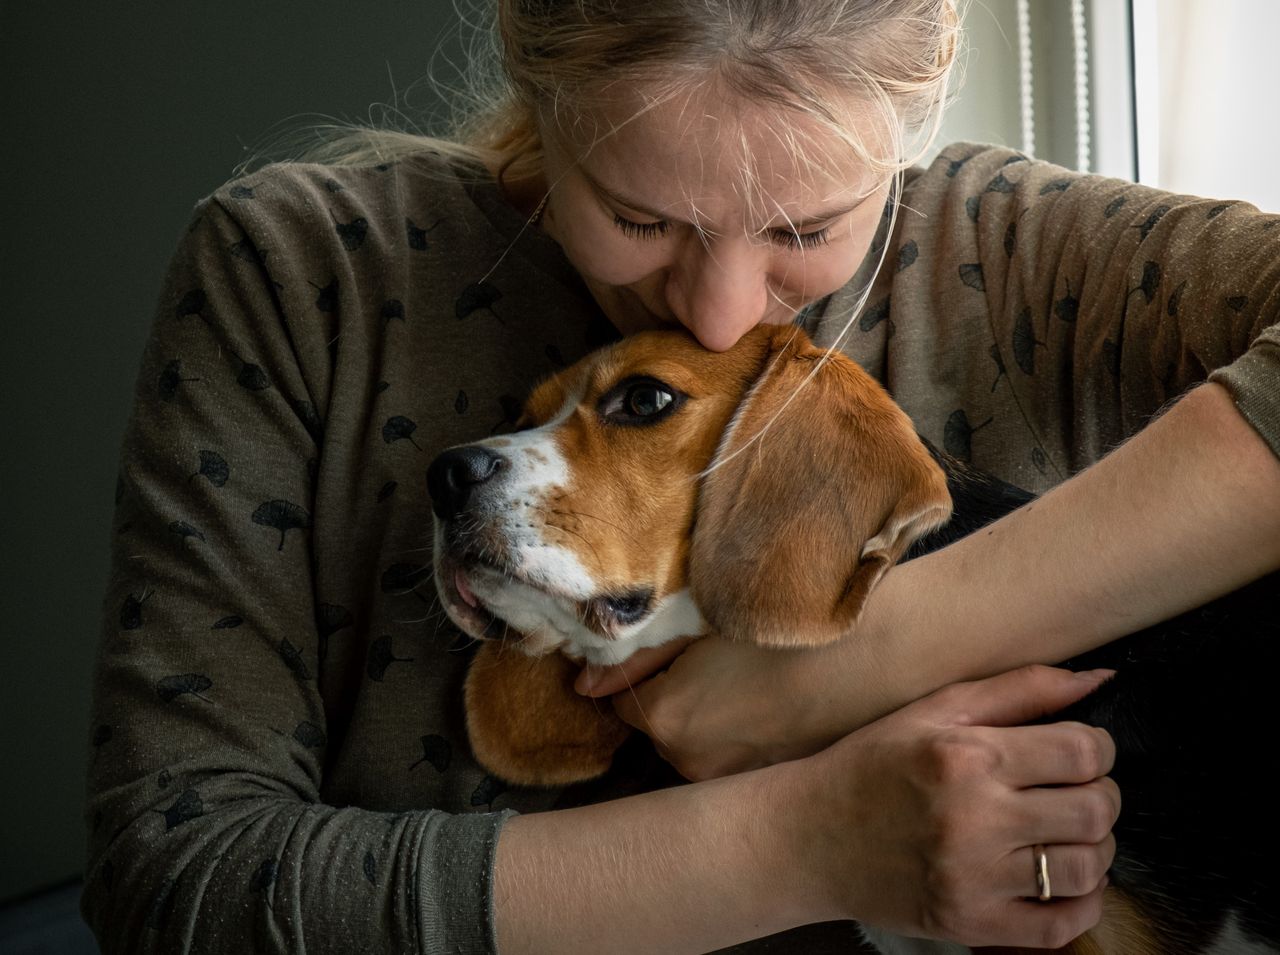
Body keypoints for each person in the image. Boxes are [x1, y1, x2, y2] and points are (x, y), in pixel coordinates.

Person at [81, 0, 1280, 952]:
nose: (717, 313)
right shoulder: (301, 274)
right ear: (540, 95)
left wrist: (869, 648)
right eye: (638, 215)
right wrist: (793, 845)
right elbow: (175, 877)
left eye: (807, 230)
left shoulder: (1024, 250)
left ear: (908, 128)